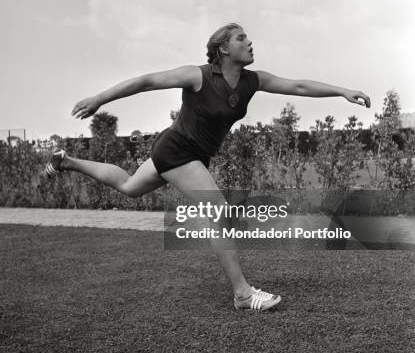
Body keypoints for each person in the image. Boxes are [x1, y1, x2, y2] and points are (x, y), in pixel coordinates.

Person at [45, 23, 371, 311]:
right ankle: (242, 294)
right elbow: (146, 81)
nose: (251, 43)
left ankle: (67, 162)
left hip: (189, 154)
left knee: (129, 187)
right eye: (242, 38)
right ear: (224, 48)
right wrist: (99, 99)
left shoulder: (251, 81)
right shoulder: (197, 76)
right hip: (178, 150)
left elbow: (299, 87)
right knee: (218, 212)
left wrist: (342, 91)